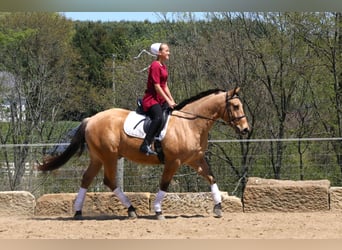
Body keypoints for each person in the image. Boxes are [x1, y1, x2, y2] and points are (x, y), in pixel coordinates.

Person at [140, 42, 177, 155]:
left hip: (160, 99)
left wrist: (172, 100)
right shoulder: (155, 65)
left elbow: (165, 85)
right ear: (159, 53)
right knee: (158, 117)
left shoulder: (163, 66)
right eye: (166, 50)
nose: (168, 52)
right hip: (152, 99)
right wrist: (168, 100)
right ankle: (145, 144)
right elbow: (157, 87)